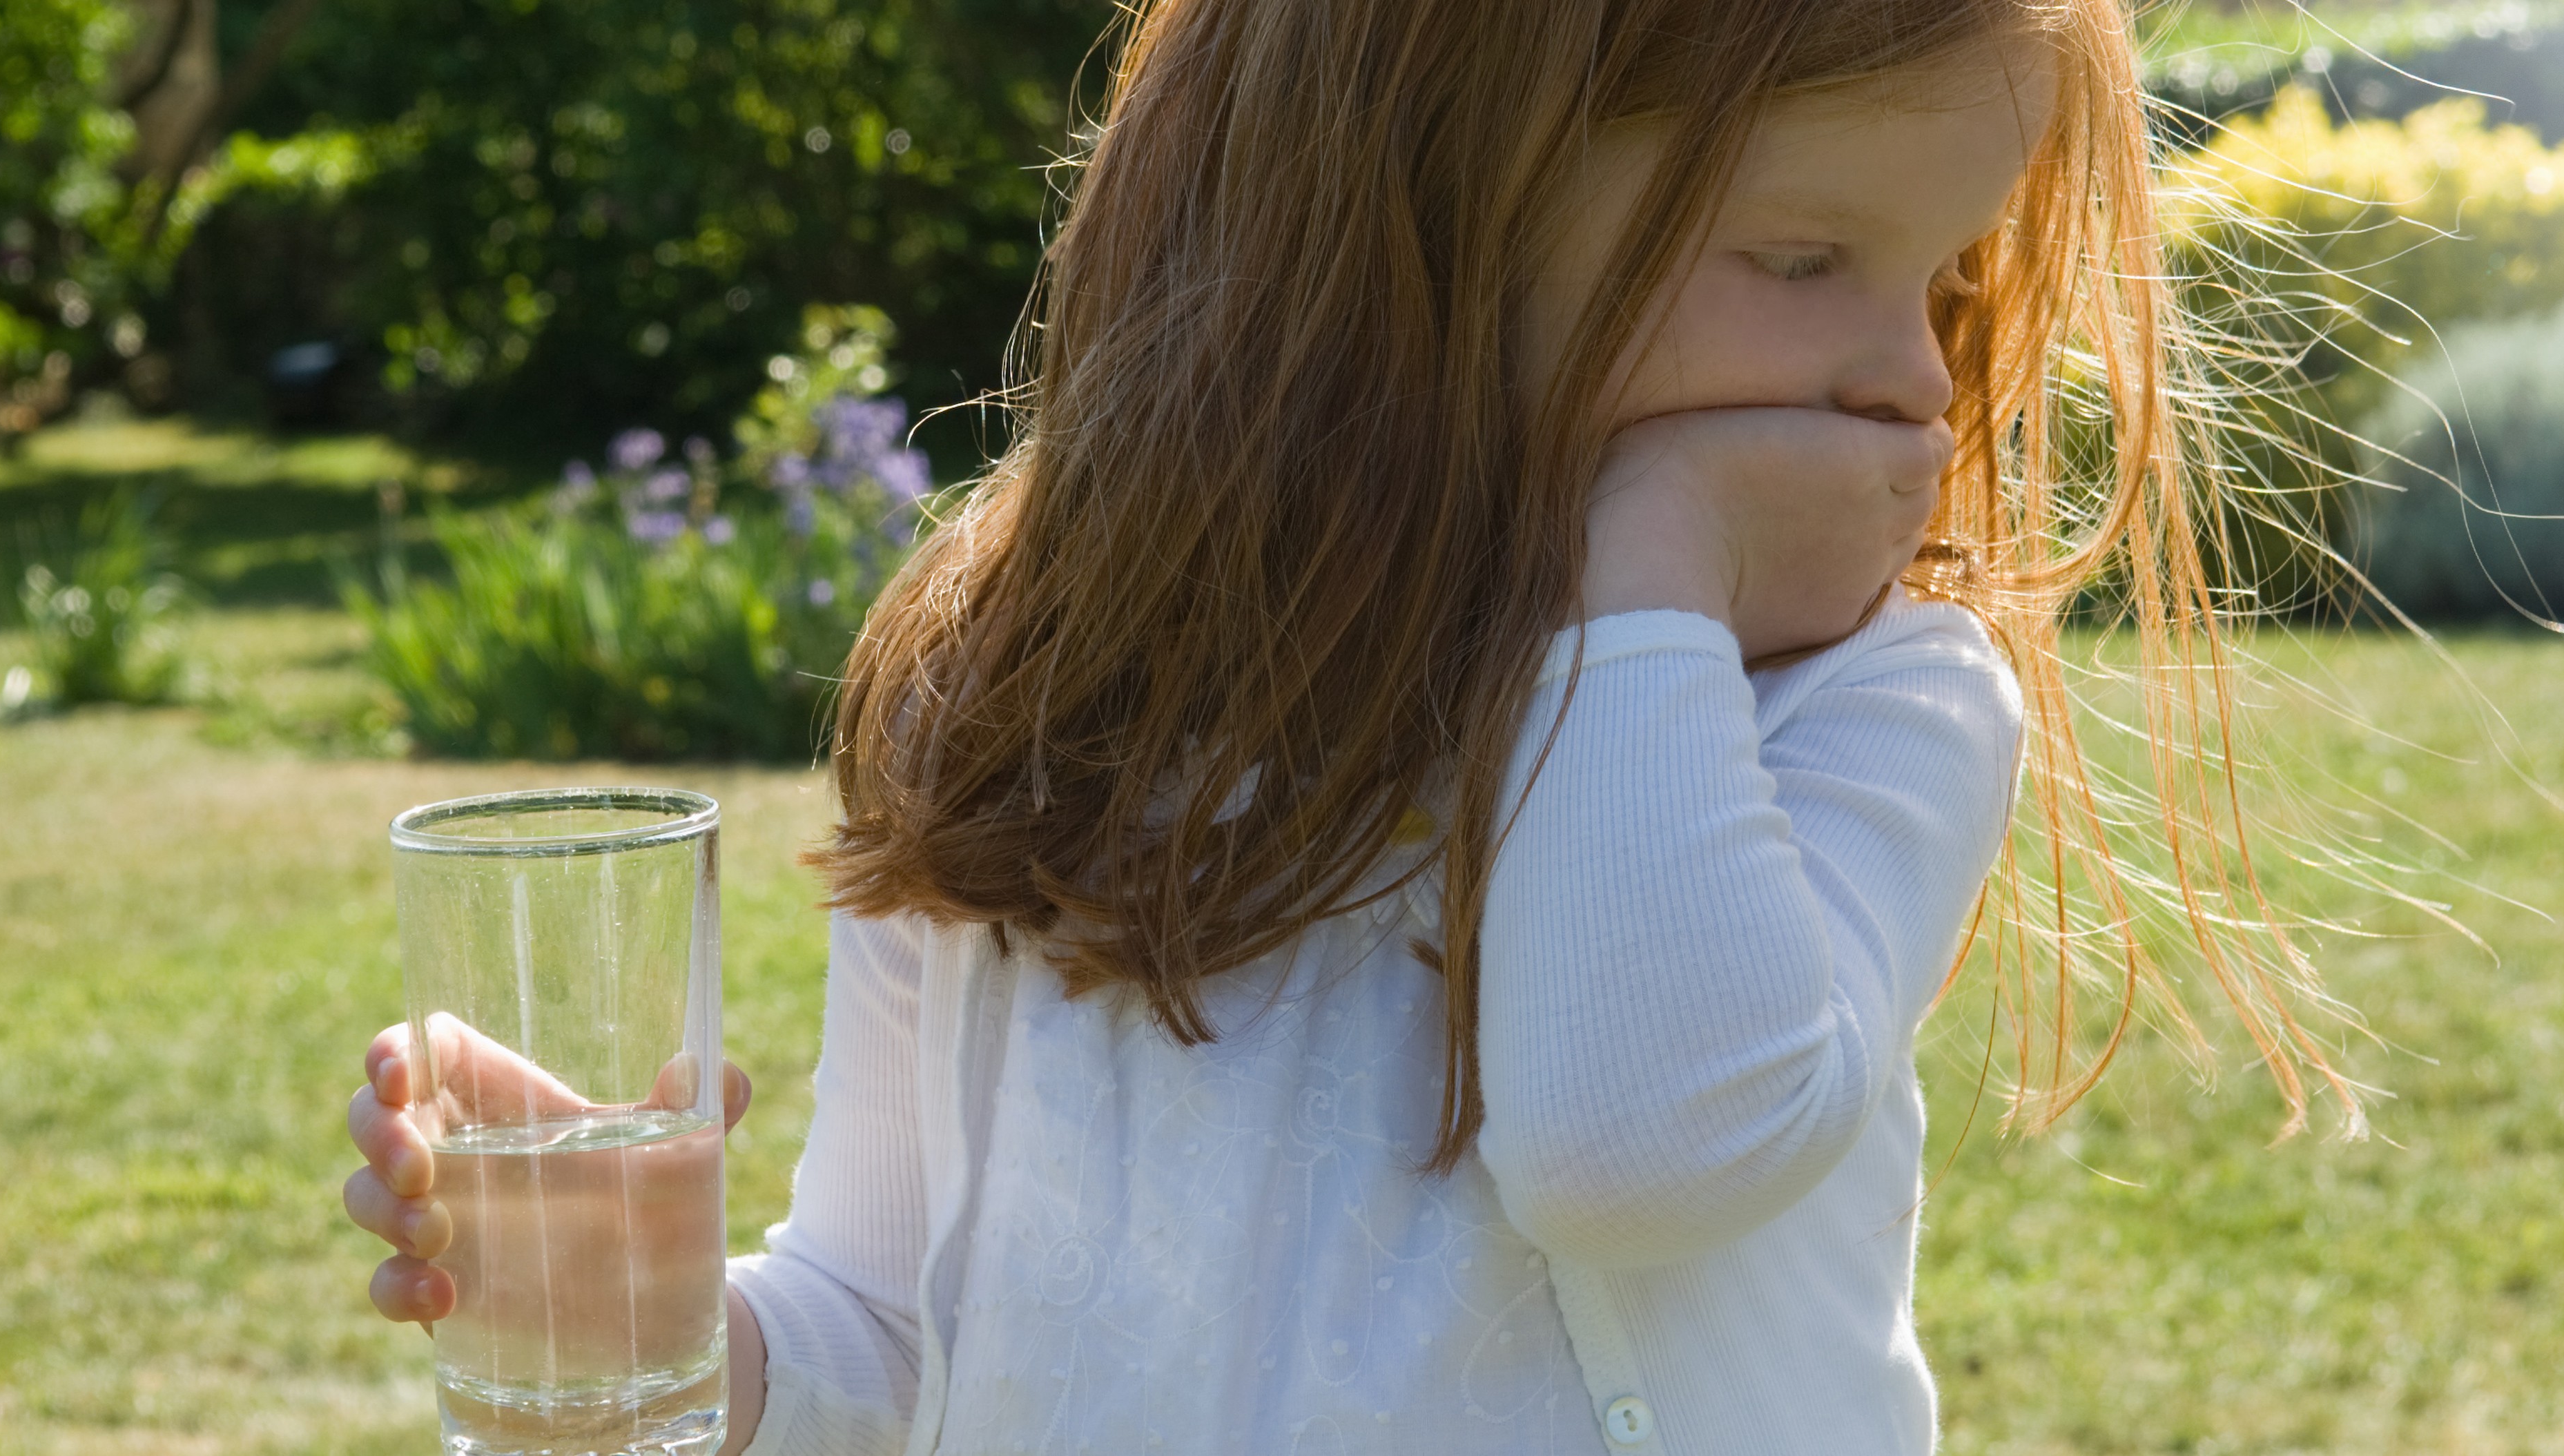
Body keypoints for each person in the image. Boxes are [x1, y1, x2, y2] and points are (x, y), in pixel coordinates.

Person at [345, 0, 2364, 1449]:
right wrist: (667, 1325)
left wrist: (1637, 548)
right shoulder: (1037, 700)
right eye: (1806, 259)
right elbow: (899, 1330)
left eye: (1942, 284)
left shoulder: (1869, 699)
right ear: (1405, 231)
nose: (1911, 384)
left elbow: (1635, 1146)